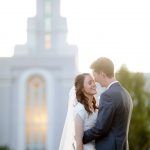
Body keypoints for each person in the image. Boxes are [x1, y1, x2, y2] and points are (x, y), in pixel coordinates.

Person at [82, 57, 133, 150]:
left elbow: (100, 128)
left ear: (102, 74)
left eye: (95, 76)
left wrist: (81, 137)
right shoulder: (126, 94)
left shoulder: (108, 95)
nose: (95, 81)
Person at [59, 73, 98, 150]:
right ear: (82, 88)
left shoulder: (96, 106)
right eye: (90, 83)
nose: (94, 84)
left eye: (93, 81)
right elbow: (78, 142)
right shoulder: (80, 110)